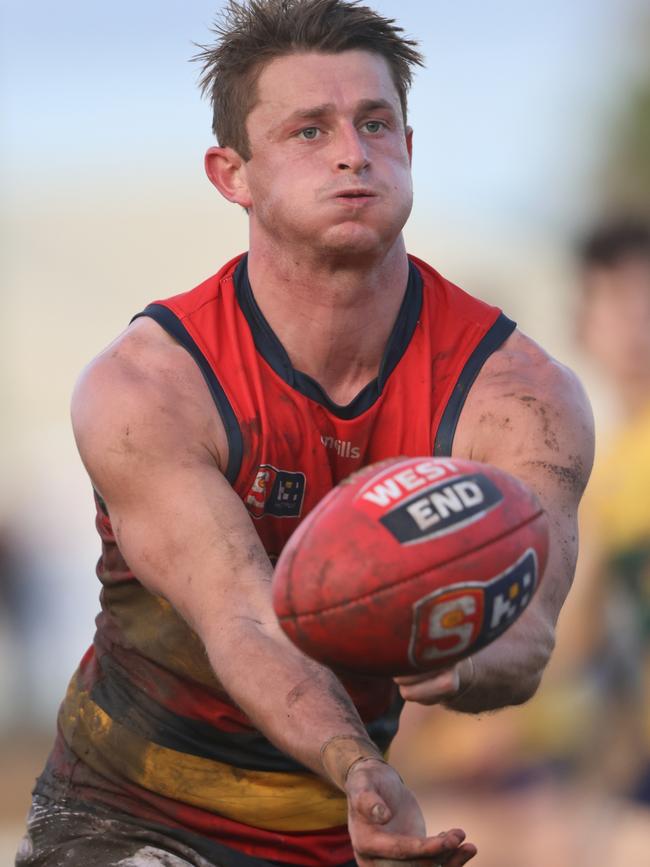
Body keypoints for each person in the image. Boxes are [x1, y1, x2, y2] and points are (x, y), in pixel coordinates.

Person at [15, 1, 594, 865]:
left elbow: (532, 622)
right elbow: (244, 618)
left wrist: (465, 659)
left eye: (375, 123)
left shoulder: (522, 392)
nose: (353, 153)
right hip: (128, 813)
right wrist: (358, 763)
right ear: (231, 174)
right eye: (308, 132)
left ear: (410, 146)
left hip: (346, 832)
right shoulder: (148, 384)